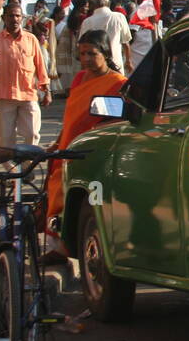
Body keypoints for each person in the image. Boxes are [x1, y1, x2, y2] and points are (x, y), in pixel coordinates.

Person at [43, 30, 127, 259]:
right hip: (67, 148)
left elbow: (117, 122)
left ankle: (76, 247)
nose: (86, 59)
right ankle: (57, 246)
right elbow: (70, 116)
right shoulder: (80, 78)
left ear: (106, 53)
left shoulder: (118, 83)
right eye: (82, 54)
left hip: (91, 151)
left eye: (92, 53)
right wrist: (58, 142)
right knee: (56, 191)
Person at [0, 1, 52, 150]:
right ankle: (10, 170)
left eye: (18, 16)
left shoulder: (31, 39)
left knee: (32, 133)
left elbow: (40, 65)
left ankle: (27, 166)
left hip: (28, 94)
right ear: (4, 18)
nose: (15, 19)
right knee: (5, 139)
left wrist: (47, 91)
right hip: (3, 96)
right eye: (11, 16)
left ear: (22, 18)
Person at [79, 0, 133, 74]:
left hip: (93, 68)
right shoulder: (119, 17)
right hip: (116, 66)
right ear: (108, 2)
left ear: (92, 4)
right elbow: (126, 43)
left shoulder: (87, 22)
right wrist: (128, 62)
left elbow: (81, 47)